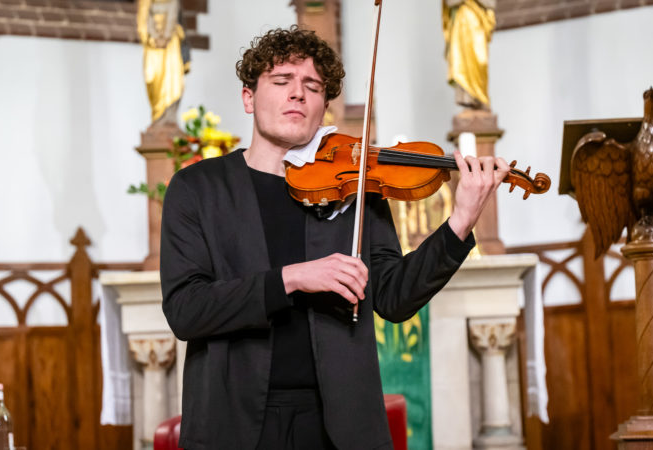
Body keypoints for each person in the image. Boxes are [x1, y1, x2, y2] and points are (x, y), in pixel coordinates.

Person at [160, 26, 510, 450]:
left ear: (324, 107)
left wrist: (462, 219)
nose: (298, 93)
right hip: (232, 423)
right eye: (282, 81)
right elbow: (186, 310)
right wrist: (291, 278)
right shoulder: (197, 188)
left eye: (313, 86)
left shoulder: (355, 187)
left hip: (340, 427)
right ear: (248, 98)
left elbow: (394, 298)